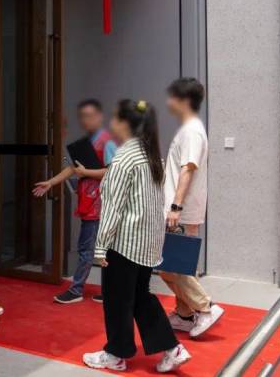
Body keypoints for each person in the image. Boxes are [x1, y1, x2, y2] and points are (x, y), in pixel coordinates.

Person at [83, 99, 190, 373]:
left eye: (115, 118)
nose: (112, 124)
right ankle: (172, 348)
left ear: (125, 124)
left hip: (124, 243)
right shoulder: (151, 155)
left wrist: (100, 247)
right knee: (141, 296)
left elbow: (113, 207)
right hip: (147, 243)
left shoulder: (123, 159)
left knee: (117, 300)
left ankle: (116, 354)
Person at [33, 99, 117, 304]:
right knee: (100, 249)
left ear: (99, 117)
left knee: (89, 249)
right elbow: (72, 169)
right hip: (91, 202)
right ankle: (108, 291)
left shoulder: (107, 142)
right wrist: (51, 182)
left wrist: (85, 172)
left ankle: (77, 289)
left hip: (101, 204)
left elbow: (113, 172)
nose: (85, 120)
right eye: (82, 116)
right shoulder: (87, 142)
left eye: (90, 115)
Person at [160, 77, 224, 338]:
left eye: (172, 96)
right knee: (171, 267)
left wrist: (176, 206)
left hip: (182, 213)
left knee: (175, 267)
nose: (168, 102)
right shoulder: (189, 130)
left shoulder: (192, 131)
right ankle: (185, 314)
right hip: (181, 211)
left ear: (184, 100)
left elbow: (188, 169)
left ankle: (206, 307)